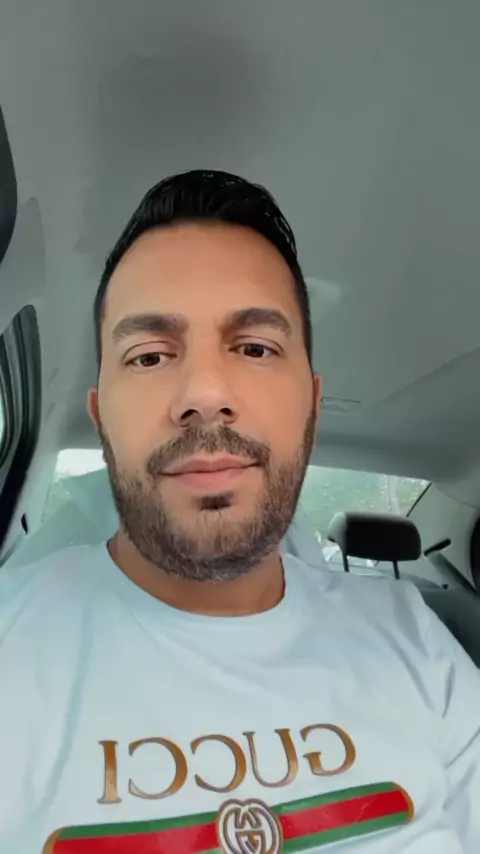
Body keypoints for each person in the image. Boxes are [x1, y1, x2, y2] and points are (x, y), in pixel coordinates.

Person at [0, 171, 478, 854]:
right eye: (150, 355)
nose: (204, 392)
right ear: (101, 415)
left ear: (312, 402)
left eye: (255, 348)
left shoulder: (417, 641)